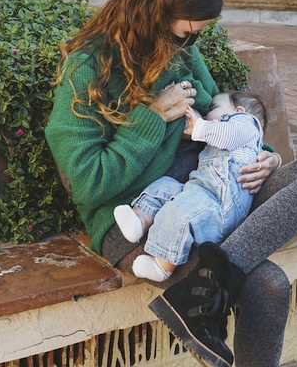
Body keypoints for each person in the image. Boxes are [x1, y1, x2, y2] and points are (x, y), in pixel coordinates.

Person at [45, 0, 297, 367]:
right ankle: (207, 290)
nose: (189, 44)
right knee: (268, 284)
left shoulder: (182, 53)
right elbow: (87, 183)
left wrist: (264, 158)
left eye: (198, 35)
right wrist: (147, 120)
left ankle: (208, 284)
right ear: (152, 12)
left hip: (215, 186)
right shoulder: (88, 69)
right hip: (144, 216)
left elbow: (224, 117)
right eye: (186, 33)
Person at [114, 90, 268, 282]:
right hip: (200, 191)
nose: (205, 115)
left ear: (239, 111)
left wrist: (199, 126)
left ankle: (162, 266)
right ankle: (140, 220)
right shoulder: (225, 134)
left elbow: (227, 135)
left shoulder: (245, 124)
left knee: (180, 213)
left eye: (213, 108)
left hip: (221, 204)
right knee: (164, 186)